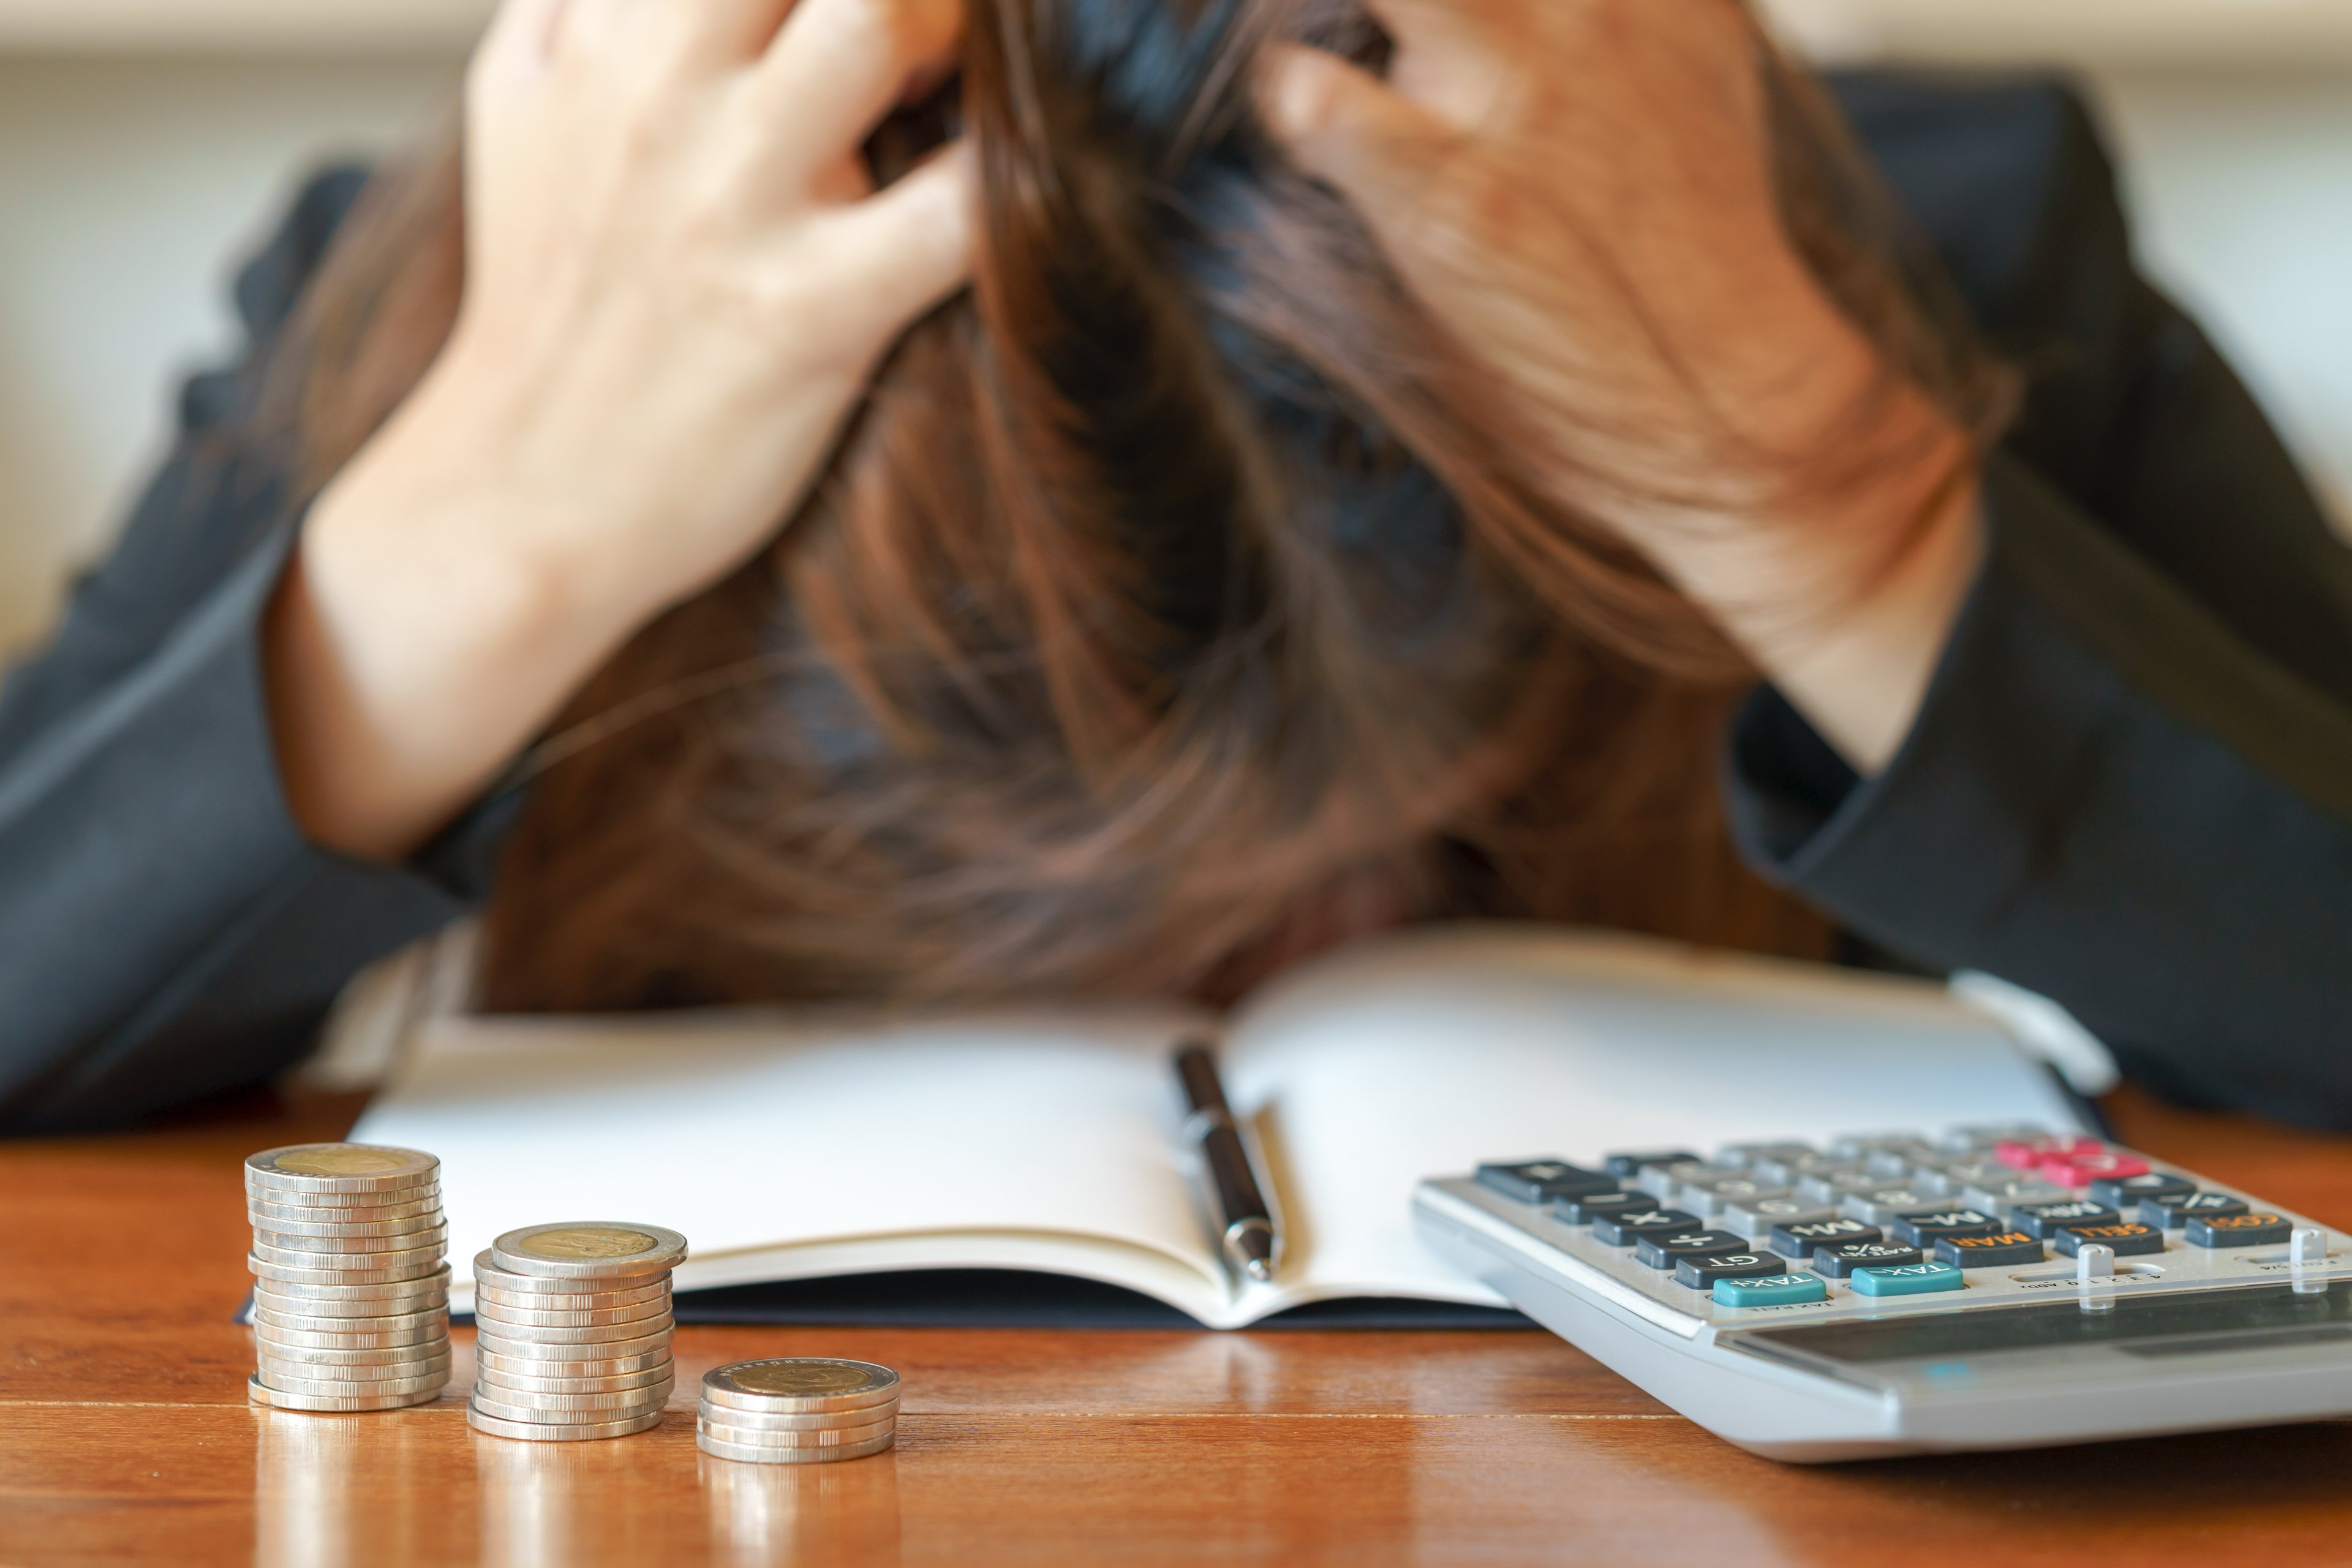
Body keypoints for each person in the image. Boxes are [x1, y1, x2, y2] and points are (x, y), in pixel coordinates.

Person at [1, 0, 2346, 1134]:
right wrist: (489, 536)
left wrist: (1832, 505)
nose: (1270, 987)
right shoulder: (520, 316)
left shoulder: (1926, 269)